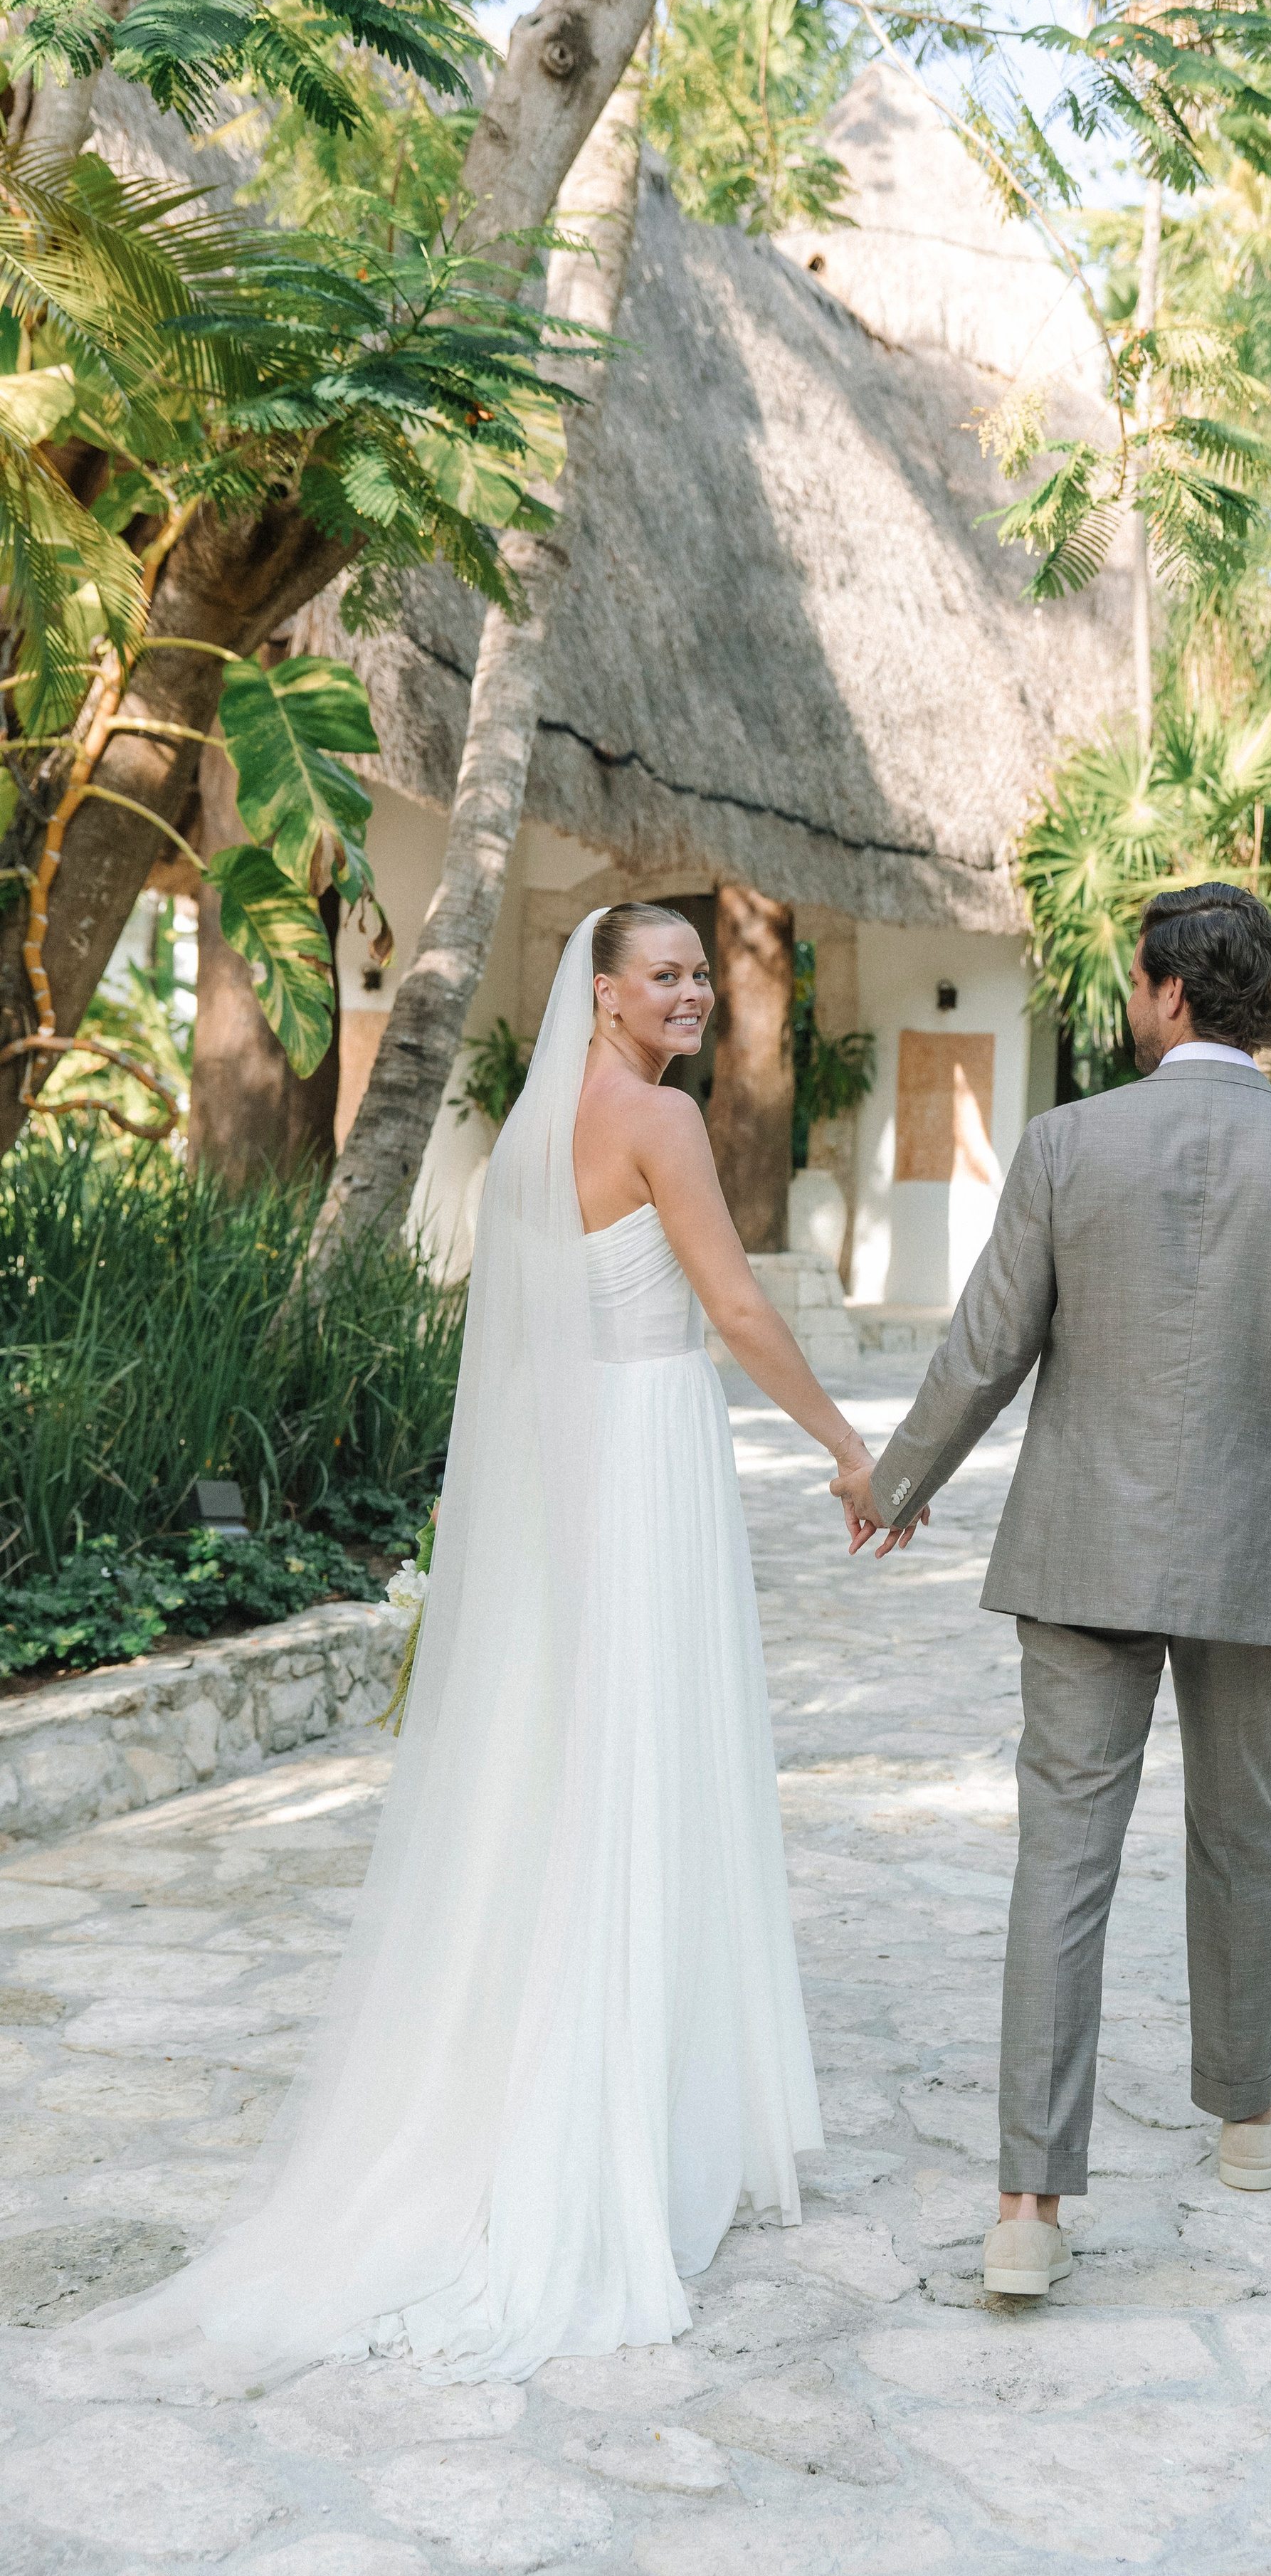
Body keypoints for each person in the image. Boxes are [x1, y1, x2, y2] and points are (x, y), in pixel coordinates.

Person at [88, 903, 877, 2385]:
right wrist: (846, 1446)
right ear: (608, 989)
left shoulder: (537, 1137)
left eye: (703, 973)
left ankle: (595, 2084)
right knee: (648, 1760)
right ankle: (619, 2122)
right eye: (668, 974)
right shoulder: (653, 1120)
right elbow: (728, 1304)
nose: (694, 992)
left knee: (590, 1764)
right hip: (647, 1454)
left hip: (587, 1473)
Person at [833, 881, 1271, 2301]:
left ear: (1161, 992)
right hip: (1246, 1561)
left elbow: (983, 1349)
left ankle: (1026, 2201)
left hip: (1080, 1549)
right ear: (1256, 1008)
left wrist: (893, 1483)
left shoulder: (1067, 1142)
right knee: (1237, 1833)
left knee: (1062, 1859)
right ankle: (1246, 2120)